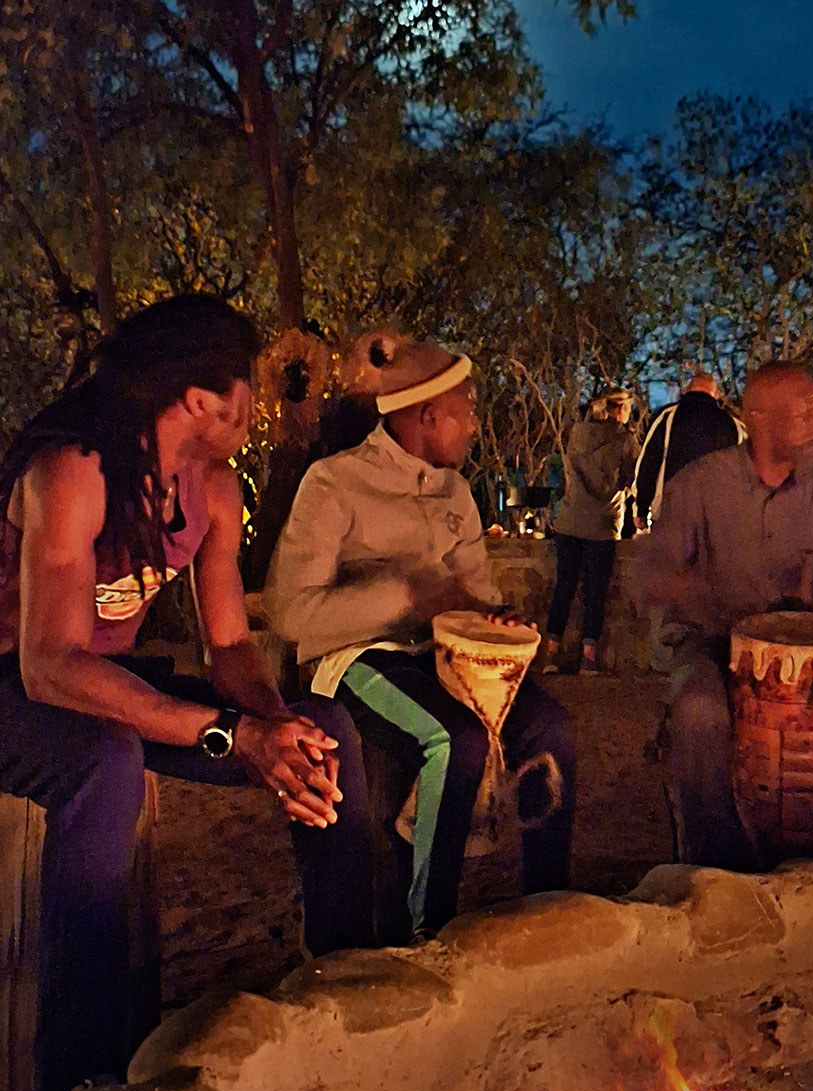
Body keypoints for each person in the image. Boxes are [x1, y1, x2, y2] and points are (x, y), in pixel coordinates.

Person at [0, 294, 375, 1091]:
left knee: (326, 731)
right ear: (205, 399)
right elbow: (48, 664)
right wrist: (229, 733)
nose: (258, 408)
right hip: (16, 684)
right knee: (105, 765)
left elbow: (230, 646)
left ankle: (354, 991)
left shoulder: (213, 490)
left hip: (102, 681)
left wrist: (273, 726)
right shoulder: (74, 468)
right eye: (248, 390)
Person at [265, 333, 576, 942]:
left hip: (444, 658)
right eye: (467, 409)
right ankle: (429, 929)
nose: (475, 424)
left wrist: (495, 619)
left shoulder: (455, 492)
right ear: (426, 416)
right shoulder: (334, 483)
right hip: (359, 659)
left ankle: (550, 907)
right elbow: (293, 615)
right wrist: (405, 597)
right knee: (454, 739)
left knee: (551, 729)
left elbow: (474, 596)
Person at [643, 360, 813, 871]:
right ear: (758, 418)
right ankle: (716, 870)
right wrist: (715, 603)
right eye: (805, 414)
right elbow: (653, 575)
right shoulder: (699, 487)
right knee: (699, 712)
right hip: (715, 646)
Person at [542, 387, 640, 675]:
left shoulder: (578, 433)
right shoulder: (626, 441)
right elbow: (633, 478)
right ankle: (589, 658)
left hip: (570, 520)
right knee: (595, 593)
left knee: (564, 587)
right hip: (603, 525)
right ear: (620, 410)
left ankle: (550, 654)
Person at [633, 372, 745, 531]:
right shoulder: (733, 426)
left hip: (672, 513)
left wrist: (641, 508)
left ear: (686, 390)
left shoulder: (668, 418)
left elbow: (649, 464)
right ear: (716, 394)